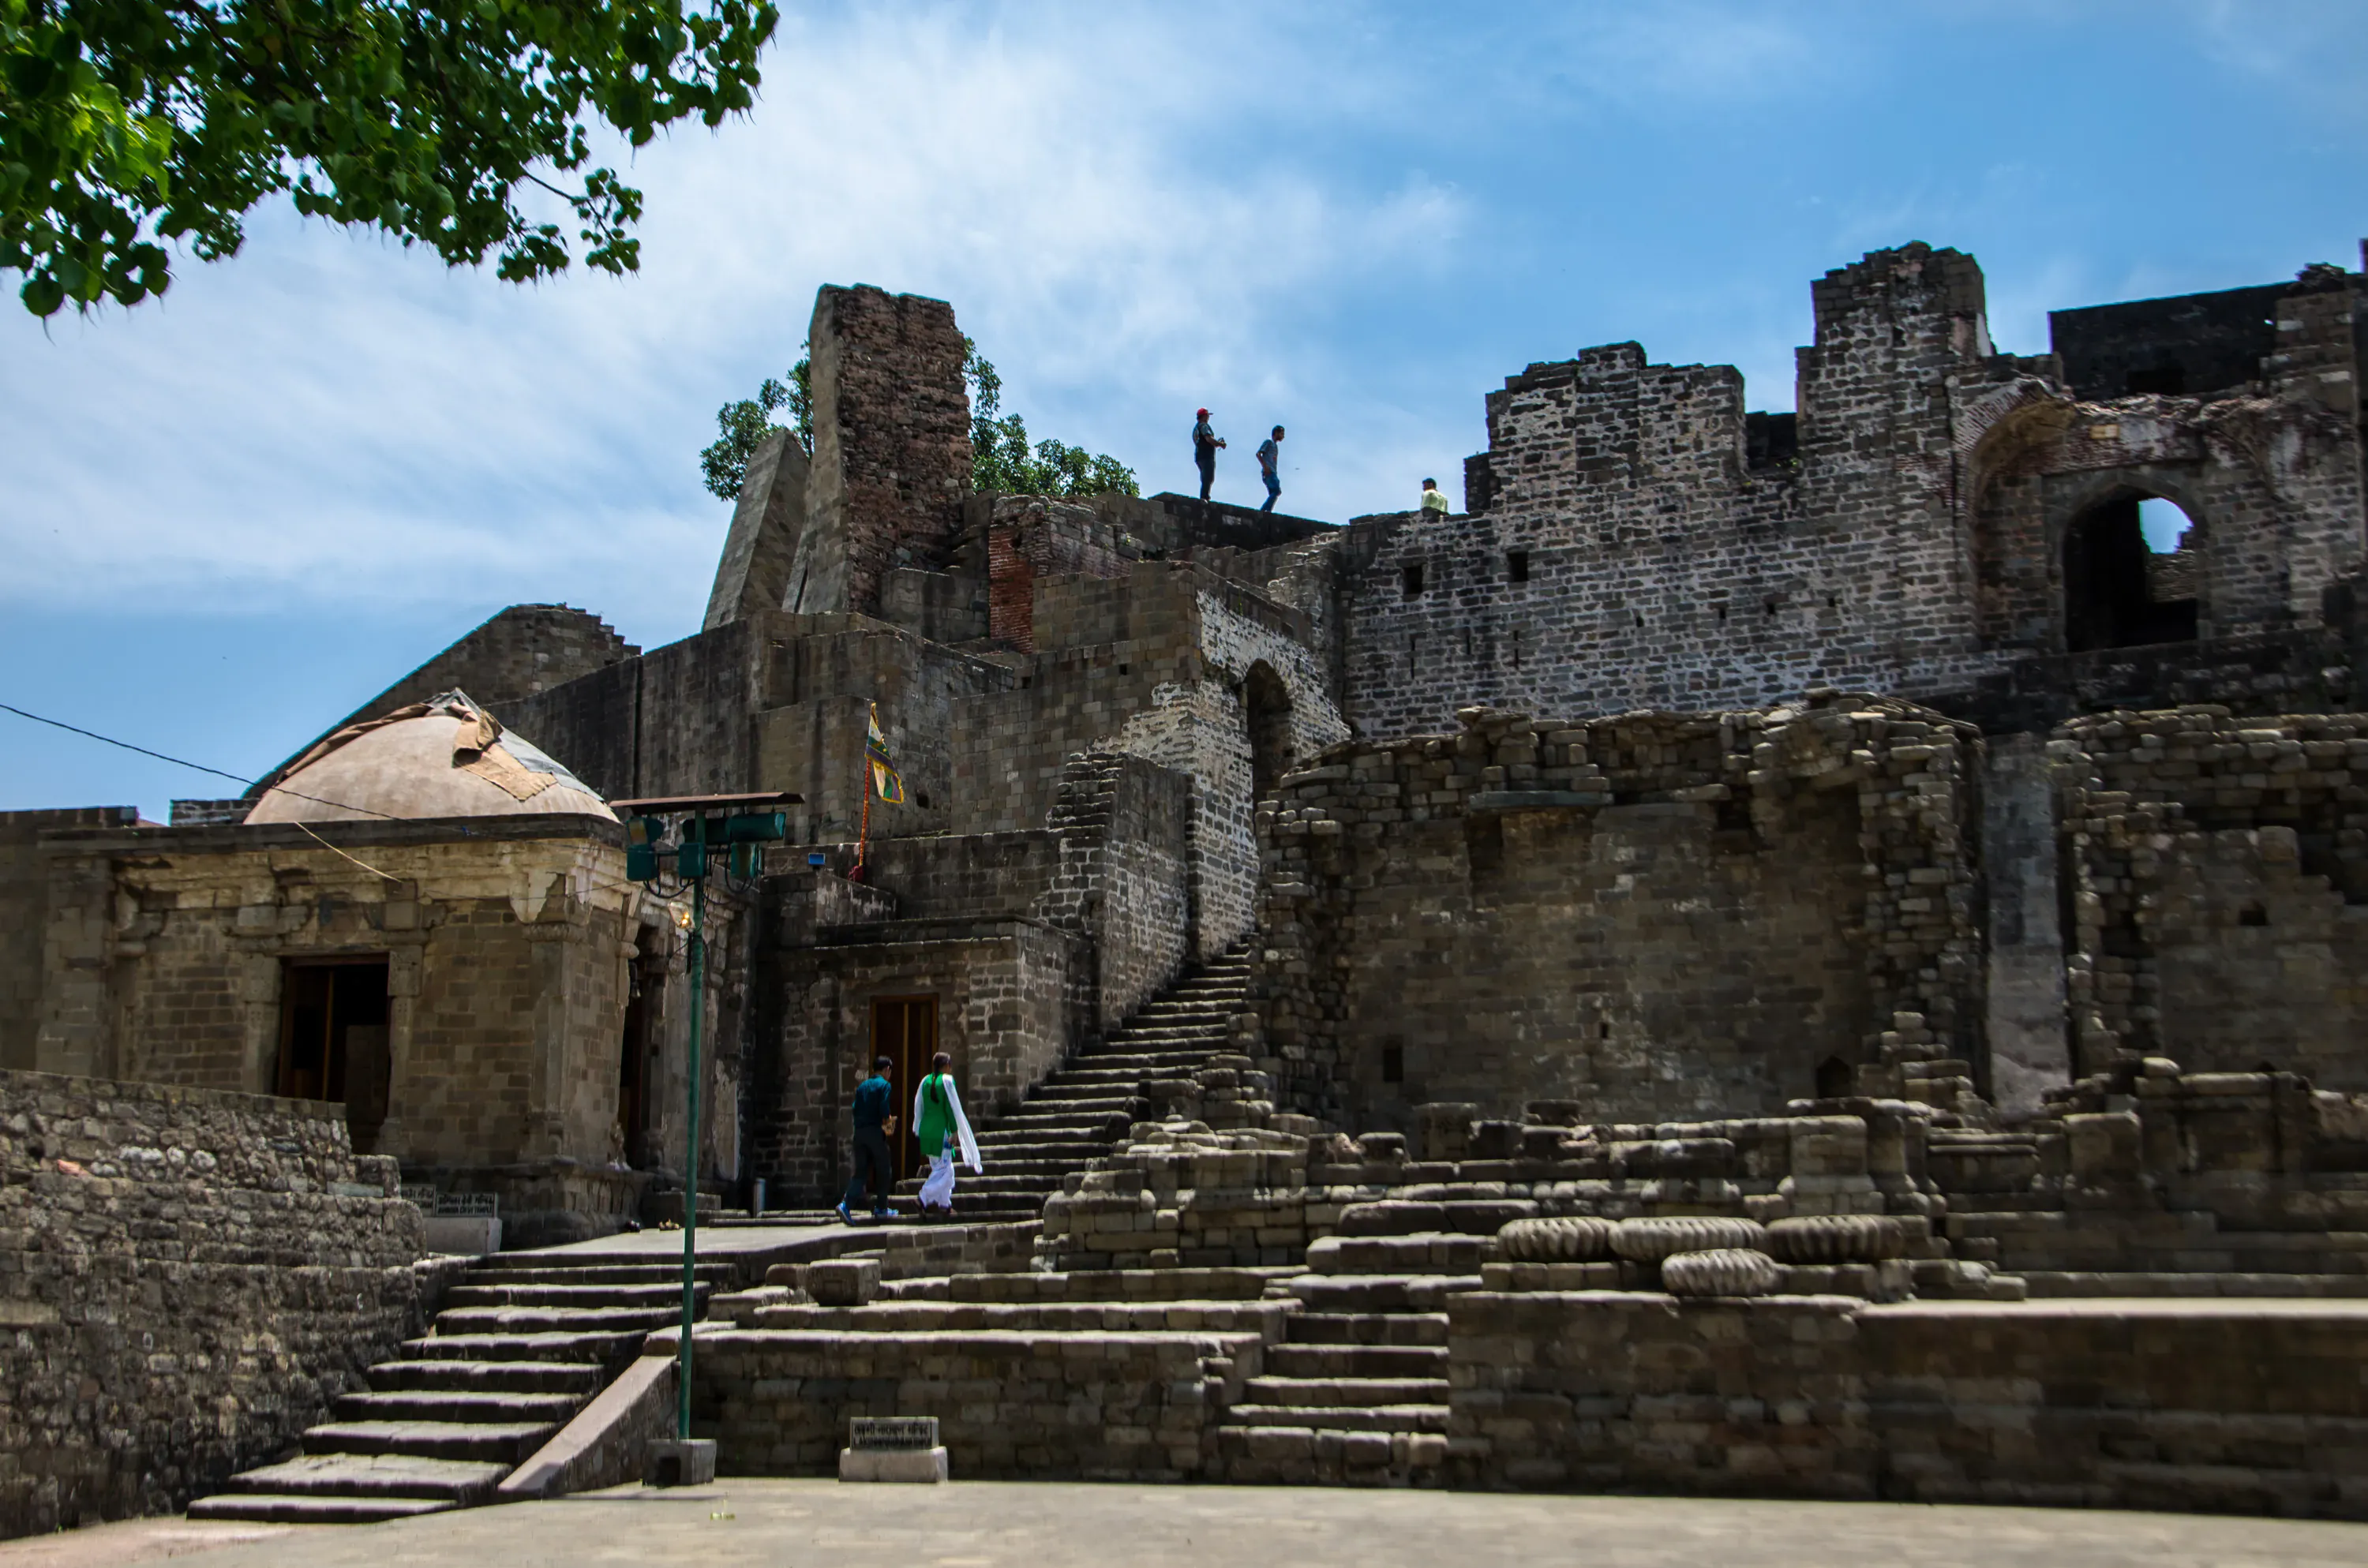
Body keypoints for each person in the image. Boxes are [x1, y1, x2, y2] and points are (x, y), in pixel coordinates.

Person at [912, 1051, 981, 1218]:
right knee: (945, 1171)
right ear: (947, 1066)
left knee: (942, 1168)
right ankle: (923, 1198)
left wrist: (919, 1128)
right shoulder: (947, 1081)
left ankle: (945, 1205)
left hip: (928, 1129)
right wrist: (955, 1130)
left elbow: (918, 1106)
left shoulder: (925, 1082)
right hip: (941, 1130)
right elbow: (950, 1109)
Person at [836, 1055, 897, 1223]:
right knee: (884, 1168)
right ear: (887, 1070)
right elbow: (884, 1108)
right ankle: (881, 1208)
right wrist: (889, 1123)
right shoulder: (884, 1085)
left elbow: (855, 1108)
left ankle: (846, 1205)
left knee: (861, 1173)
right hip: (875, 1132)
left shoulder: (862, 1086)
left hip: (860, 1133)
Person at [1193, 409, 1226, 502]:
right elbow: (1209, 439)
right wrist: (1220, 444)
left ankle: (1204, 496)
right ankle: (1205, 497)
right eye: (1207, 415)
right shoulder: (1204, 426)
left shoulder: (1196, 428)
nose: (1208, 418)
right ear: (1204, 416)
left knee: (1205, 477)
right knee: (1208, 477)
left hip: (1199, 456)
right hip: (1206, 456)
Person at [1256, 426, 1285, 513]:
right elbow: (1258, 454)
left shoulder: (1275, 446)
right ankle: (1263, 510)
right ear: (1276, 433)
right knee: (1276, 490)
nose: (1283, 436)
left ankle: (1268, 512)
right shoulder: (1269, 442)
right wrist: (1265, 466)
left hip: (1273, 472)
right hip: (1269, 471)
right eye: (1281, 434)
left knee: (1274, 494)